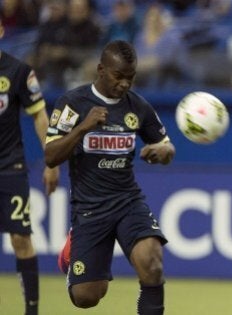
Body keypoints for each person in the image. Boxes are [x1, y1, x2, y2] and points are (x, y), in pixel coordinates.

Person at [45, 40, 175, 314]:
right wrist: (83, 128)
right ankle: (72, 252)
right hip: (90, 208)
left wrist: (160, 152)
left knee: (151, 262)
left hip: (128, 201)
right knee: (87, 297)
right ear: (101, 69)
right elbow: (51, 155)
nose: (125, 84)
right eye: (119, 76)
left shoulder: (138, 107)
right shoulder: (72, 103)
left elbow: (167, 147)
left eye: (131, 77)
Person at [0, 19, 59, 315]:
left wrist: (51, 160)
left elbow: (39, 116)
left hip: (10, 165)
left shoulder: (19, 72)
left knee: (21, 238)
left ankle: (32, 310)